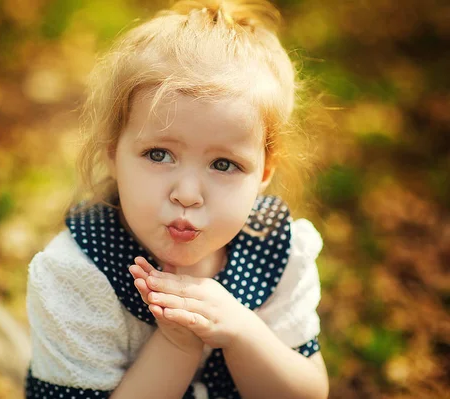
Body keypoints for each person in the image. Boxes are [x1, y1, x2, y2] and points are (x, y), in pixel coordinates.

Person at [25, 1, 329, 398]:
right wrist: (177, 344)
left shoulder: (277, 252)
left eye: (224, 164)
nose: (187, 194)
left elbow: (309, 393)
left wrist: (241, 332)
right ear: (112, 152)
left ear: (263, 174)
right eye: (158, 155)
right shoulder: (78, 276)